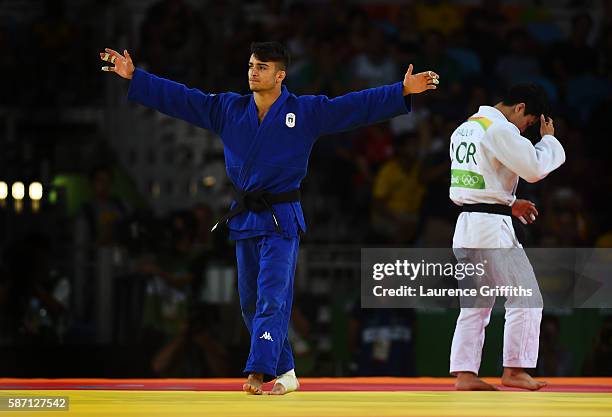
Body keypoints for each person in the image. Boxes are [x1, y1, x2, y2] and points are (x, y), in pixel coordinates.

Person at [100, 42, 439, 394]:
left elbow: (353, 106)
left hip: (281, 218)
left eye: (261, 67)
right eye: (250, 65)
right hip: (246, 217)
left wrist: (399, 90)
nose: (252, 71)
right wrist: (135, 76)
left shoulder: (305, 112)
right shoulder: (228, 109)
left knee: (272, 295)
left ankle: (258, 371)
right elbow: (184, 99)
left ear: (280, 75)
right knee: (249, 301)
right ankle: (288, 371)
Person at [448, 84, 565, 390]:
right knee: (527, 296)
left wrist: (510, 203)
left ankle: (465, 375)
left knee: (475, 304)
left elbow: (479, 182)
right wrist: (548, 140)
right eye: (527, 123)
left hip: (467, 224)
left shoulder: (465, 129)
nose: (525, 130)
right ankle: (514, 370)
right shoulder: (500, 129)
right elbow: (535, 169)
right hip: (490, 228)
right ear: (519, 107)